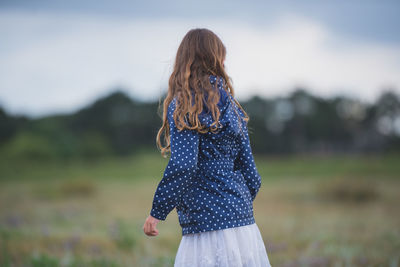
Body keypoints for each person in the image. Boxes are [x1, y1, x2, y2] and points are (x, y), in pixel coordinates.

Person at [143, 28, 272, 267]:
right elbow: (252, 175)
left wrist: (157, 212)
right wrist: (236, 204)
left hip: (205, 227)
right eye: (222, 56)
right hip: (244, 226)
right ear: (213, 60)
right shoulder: (232, 106)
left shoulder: (183, 104)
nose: (224, 61)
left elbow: (184, 164)